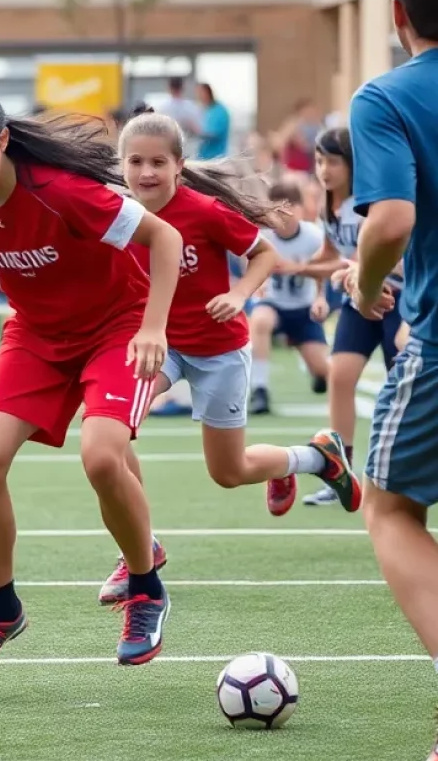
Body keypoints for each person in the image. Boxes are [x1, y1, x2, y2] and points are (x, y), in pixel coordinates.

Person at [0, 86, 181, 682]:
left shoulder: (63, 194)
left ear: (3, 141)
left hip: (116, 330)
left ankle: (145, 589)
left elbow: (165, 239)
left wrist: (153, 327)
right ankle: (1, 611)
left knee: (102, 456)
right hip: (35, 338)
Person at [96, 112, 360, 602]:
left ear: (179, 165)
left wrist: (239, 295)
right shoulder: (119, 214)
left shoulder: (203, 210)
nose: (147, 172)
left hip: (219, 349)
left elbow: (263, 254)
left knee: (228, 472)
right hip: (160, 347)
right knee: (107, 432)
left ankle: (314, 457)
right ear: (122, 165)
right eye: (136, 162)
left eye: (158, 162)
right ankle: (140, 546)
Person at [341, 0, 438, 761]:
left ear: (399, 14)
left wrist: (365, 283)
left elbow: (393, 219)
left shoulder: (386, 97)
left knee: (393, 506)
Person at [298, 126, 404, 507]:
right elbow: (330, 254)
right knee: (339, 377)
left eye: (333, 161)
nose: (324, 169)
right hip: (358, 301)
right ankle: (339, 473)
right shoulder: (328, 204)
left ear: (352, 164)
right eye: (319, 160)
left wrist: (353, 269)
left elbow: (379, 252)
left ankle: (403, 473)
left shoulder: (369, 202)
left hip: (394, 298)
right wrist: (293, 267)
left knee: (402, 389)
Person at [248, 177, 330, 415]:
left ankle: (318, 373)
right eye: (277, 208)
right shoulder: (264, 236)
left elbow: (323, 271)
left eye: (290, 206)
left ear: (300, 209)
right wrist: (259, 282)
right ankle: (260, 389)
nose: (284, 214)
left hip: (303, 308)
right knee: (260, 319)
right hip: (273, 303)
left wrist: (320, 298)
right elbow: (250, 261)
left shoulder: (313, 236)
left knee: (325, 371)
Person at [194, 82, 230, 160]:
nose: (198, 96)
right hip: (203, 158)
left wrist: (196, 130)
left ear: (207, 93)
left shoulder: (219, 111)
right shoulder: (205, 110)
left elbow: (212, 134)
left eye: (200, 93)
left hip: (215, 158)